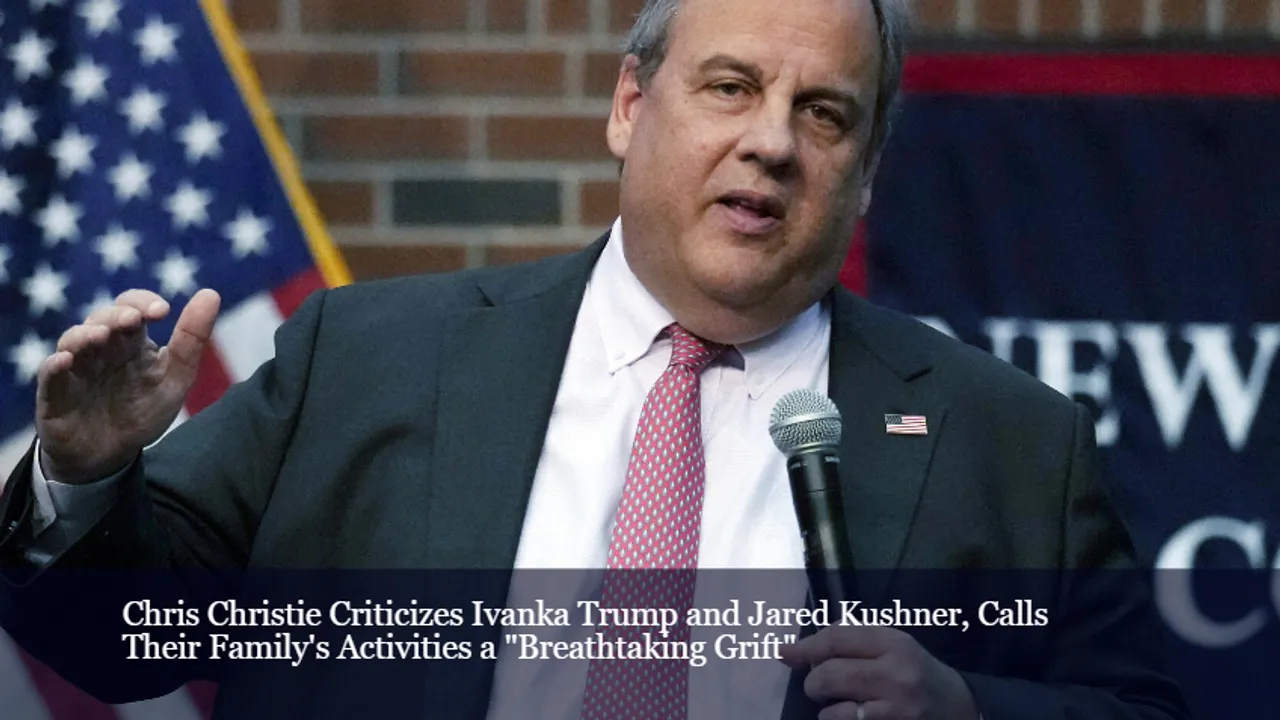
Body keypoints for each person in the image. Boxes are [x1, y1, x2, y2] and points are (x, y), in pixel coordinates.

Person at [0, 0, 1188, 719]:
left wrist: (967, 706)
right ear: (630, 104)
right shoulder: (364, 360)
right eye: (729, 87)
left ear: (865, 171)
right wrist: (86, 480)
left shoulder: (1009, 440)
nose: (769, 142)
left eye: (823, 114)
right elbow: (117, 645)